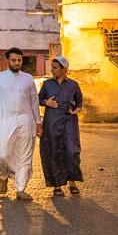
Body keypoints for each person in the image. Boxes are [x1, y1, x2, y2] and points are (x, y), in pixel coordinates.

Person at [0, 47, 40, 200]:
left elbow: (34, 102)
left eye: (19, 60)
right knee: (2, 154)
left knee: (25, 156)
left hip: (25, 121)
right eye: (14, 60)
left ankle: (20, 189)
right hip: (5, 121)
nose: (17, 63)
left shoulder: (28, 78)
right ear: (7, 61)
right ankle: (2, 176)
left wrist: (38, 122)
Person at [37, 55, 84, 196]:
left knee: (72, 151)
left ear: (64, 69)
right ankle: (57, 185)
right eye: (52, 67)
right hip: (52, 120)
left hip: (69, 121)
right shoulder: (47, 85)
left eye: (55, 68)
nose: (52, 70)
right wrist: (46, 103)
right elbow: (38, 99)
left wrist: (77, 109)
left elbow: (79, 100)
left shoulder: (73, 85)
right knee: (54, 151)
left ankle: (72, 182)